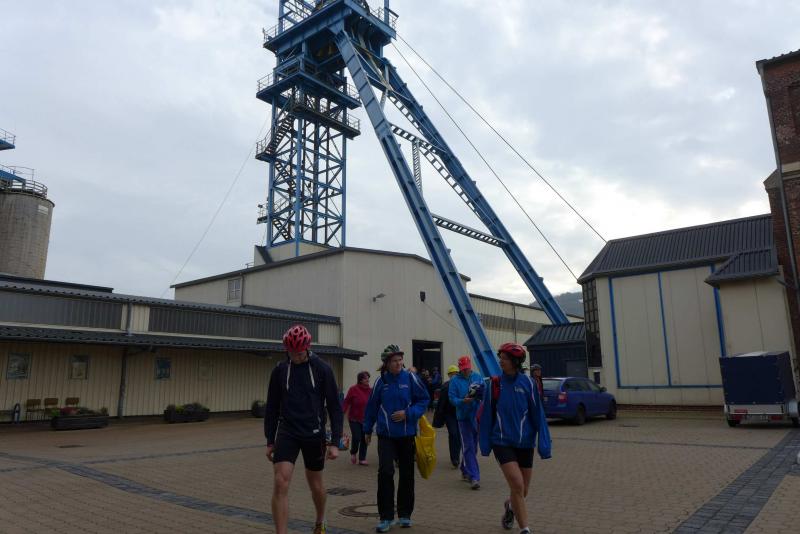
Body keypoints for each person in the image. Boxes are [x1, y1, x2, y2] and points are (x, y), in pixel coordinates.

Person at [264, 324, 343, 534]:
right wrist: (270, 440)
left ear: (307, 348)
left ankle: (320, 520)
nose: (295, 357)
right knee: (280, 481)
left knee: (315, 484)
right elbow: (272, 407)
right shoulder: (280, 370)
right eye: (291, 353)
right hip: (287, 431)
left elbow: (335, 407)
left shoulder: (322, 369)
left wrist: (335, 443)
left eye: (299, 353)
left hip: (313, 433)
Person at [478, 343, 551, 534]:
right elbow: (486, 416)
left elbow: (538, 414)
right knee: (517, 484)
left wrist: (544, 444)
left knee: (522, 490)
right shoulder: (494, 384)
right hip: (502, 442)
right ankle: (525, 529)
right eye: (500, 357)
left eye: (505, 358)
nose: (501, 361)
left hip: (525, 442)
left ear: (515, 362)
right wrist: (485, 444)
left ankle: (510, 507)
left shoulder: (529, 383)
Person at [363, 344, 430, 532]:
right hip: (386, 435)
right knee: (385, 472)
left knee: (407, 474)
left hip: (407, 435)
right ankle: (386, 517)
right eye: (394, 361)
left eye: (400, 360)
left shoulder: (410, 378)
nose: (398, 363)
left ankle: (405, 514)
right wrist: (367, 431)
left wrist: (408, 413)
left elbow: (424, 400)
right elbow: (371, 407)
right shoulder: (380, 382)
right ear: (387, 363)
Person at [449, 355, 483, 490]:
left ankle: (464, 468)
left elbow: (484, 392)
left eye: (467, 368)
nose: (465, 371)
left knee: (474, 447)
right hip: (463, 418)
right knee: (468, 446)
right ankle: (474, 477)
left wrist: (479, 396)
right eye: (463, 369)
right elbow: (452, 398)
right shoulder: (454, 381)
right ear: (459, 368)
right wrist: (462, 401)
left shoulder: (477, 377)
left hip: (476, 416)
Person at [432, 364, 461, 468]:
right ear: (449, 375)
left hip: (460, 414)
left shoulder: (462, 385)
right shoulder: (445, 386)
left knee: (459, 436)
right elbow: (441, 404)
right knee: (453, 434)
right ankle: (454, 458)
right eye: (452, 374)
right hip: (449, 415)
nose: (454, 375)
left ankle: (457, 456)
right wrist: (440, 418)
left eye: (456, 373)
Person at [343, 371, 372, 466]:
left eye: (368, 378)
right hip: (354, 418)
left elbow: (374, 403)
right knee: (357, 437)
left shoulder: (371, 391)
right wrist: (342, 412)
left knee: (365, 439)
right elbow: (346, 401)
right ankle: (353, 452)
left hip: (366, 419)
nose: (368, 380)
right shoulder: (353, 389)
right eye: (365, 378)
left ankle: (362, 459)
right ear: (360, 380)